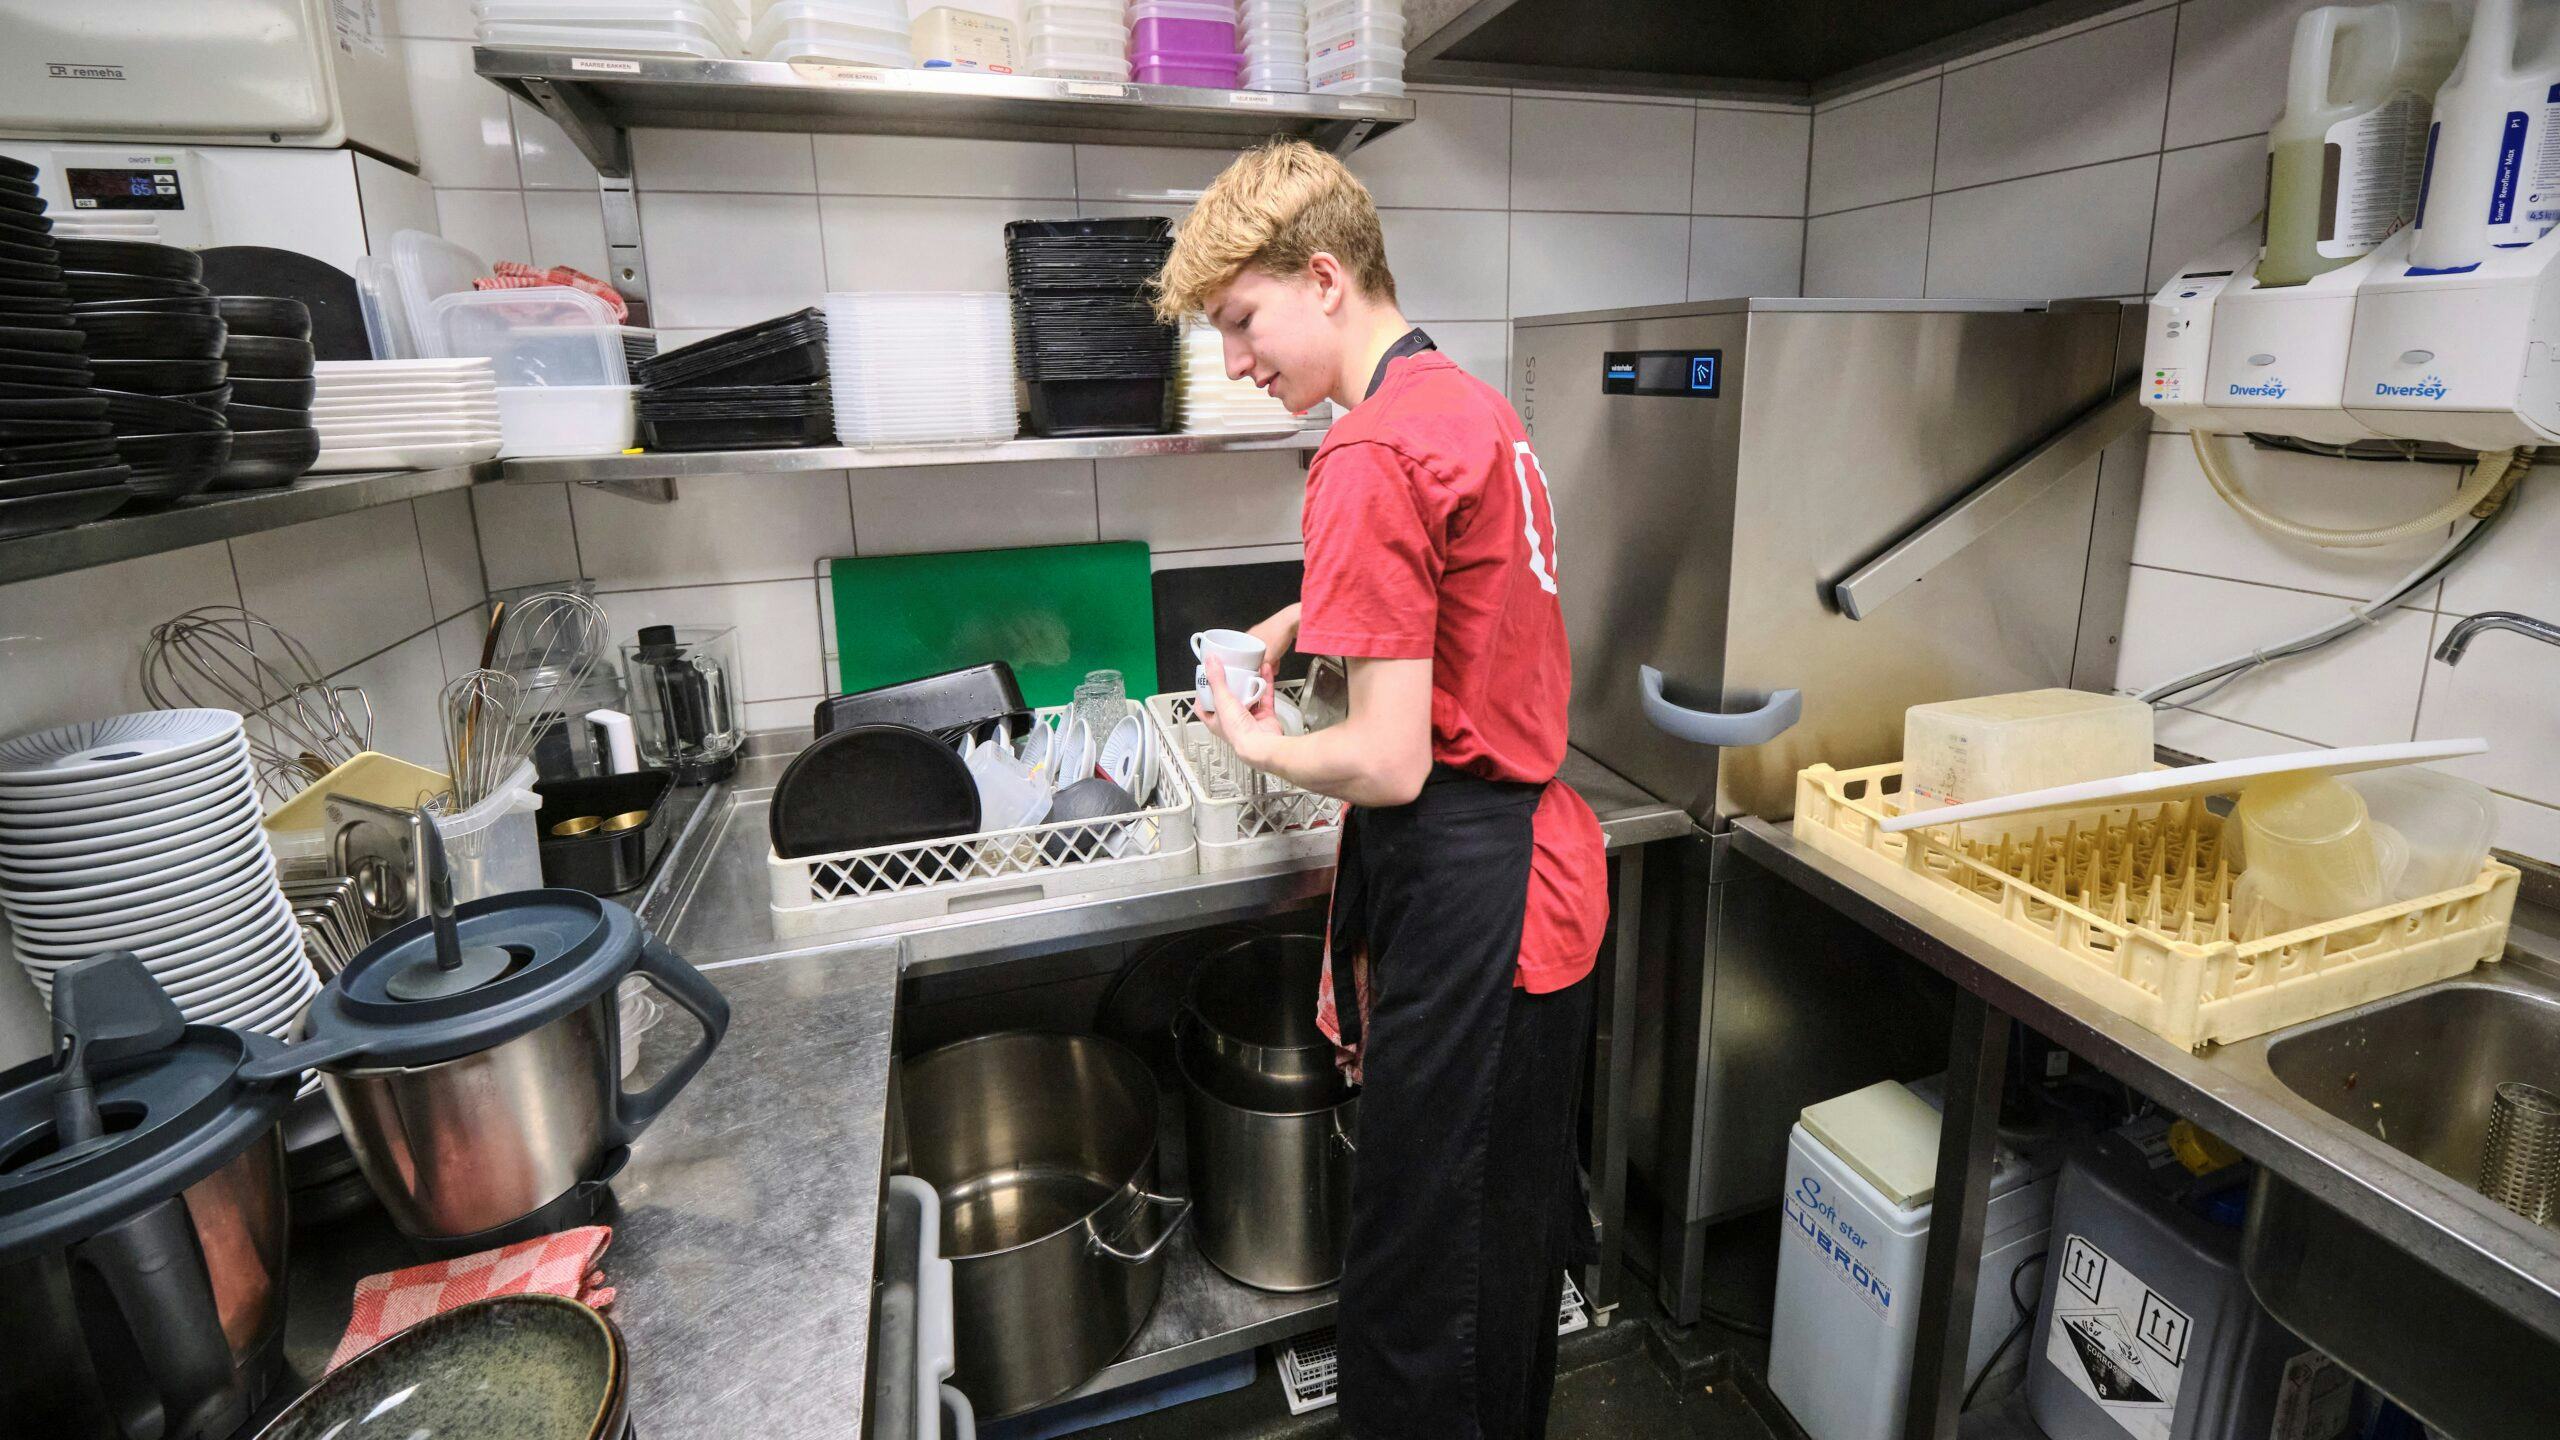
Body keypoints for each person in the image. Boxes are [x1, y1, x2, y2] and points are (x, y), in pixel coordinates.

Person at [1151, 139, 1609, 1440]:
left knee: (1417, 1301)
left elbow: (1391, 757)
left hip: (1470, 900)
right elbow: (1460, 602)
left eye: (1244, 322)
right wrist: (1316, 611)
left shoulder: (1362, 453)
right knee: (1498, 1269)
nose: (1238, 361)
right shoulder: (1467, 406)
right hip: (1538, 882)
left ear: (1326, 276)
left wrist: (1258, 744)